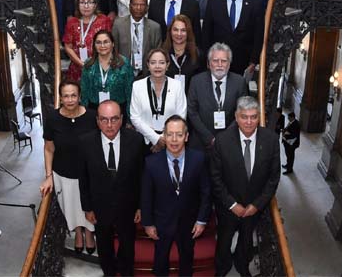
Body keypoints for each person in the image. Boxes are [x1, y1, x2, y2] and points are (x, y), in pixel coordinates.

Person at [210, 96, 281, 277]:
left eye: (253, 116)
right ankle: (222, 266)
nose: (249, 122)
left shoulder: (271, 140)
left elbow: (273, 178)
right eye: (244, 117)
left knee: (246, 241)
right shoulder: (222, 141)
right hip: (228, 208)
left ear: (259, 117)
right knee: (224, 242)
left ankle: (242, 265)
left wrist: (256, 205)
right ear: (236, 116)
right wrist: (233, 205)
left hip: (253, 208)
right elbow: (216, 179)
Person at [78, 101, 144, 277]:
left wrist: (140, 206)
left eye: (114, 119)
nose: (109, 125)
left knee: (127, 246)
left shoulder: (136, 141)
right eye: (104, 120)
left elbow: (141, 177)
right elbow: (83, 179)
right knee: (105, 248)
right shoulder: (85, 143)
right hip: (100, 208)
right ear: (97, 121)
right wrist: (87, 208)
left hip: (128, 207)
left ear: (122, 119)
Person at [141, 115, 211, 277]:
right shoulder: (151, 163)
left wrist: (201, 220)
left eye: (179, 135)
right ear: (164, 136)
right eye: (170, 134)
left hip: (189, 223)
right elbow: (146, 196)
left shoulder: (199, 159)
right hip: (161, 223)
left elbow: (206, 192)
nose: (174, 140)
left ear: (186, 137)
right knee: (160, 261)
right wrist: (148, 223)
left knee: (187, 260)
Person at [40, 81, 99, 255]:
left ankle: (89, 233)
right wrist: (48, 175)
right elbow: (49, 148)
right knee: (71, 207)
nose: (70, 99)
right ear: (60, 98)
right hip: (63, 174)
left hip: (88, 174)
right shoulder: (52, 118)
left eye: (73, 95)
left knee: (88, 206)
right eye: (66, 96)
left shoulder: (92, 116)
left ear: (79, 96)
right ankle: (78, 233)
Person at [201, 0, 264, 77]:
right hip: (218, 62)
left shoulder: (255, 3)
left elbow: (258, 35)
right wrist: (207, 58)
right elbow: (206, 33)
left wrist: (254, 62)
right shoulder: (213, 1)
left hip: (244, 63)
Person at [186, 43, 247, 151]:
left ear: (229, 64)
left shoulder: (239, 82)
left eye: (224, 61)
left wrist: (224, 138)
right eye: (215, 60)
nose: (219, 64)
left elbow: (242, 112)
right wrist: (209, 138)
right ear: (209, 63)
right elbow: (192, 112)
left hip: (230, 143)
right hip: (200, 143)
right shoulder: (196, 81)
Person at [129, 49, 187, 152]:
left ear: (167, 65)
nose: (157, 66)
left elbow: (181, 115)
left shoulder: (177, 85)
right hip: (144, 140)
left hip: (171, 140)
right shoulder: (137, 86)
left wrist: (164, 138)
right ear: (148, 65)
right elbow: (134, 117)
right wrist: (155, 139)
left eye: (161, 62)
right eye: (153, 62)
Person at [80, 30, 134, 119]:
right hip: (94, 111)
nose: (102, 46)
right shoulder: (88, 64)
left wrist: (129, 118)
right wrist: (84, 117)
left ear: (112, 44)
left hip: (119, 111)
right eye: (98, 42)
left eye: (106, 42)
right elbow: (84, 93)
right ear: (94, 45)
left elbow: (130, 92)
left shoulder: (124, 63)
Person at [62, 0, 113, 82]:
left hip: (100, 67)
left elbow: (109, 44)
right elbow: (68, 47)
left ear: (95, 5)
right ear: (78, 5)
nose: (86, 6)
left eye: (89, 2)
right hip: (77, 69)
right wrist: (81, 64)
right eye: (82, 2)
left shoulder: (104, 20)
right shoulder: (72, 23)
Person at [112, 0, 162, 77]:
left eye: (142, 5)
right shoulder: (118, 25)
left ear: (147, 7)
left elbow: (158, 53)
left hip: (146, 74)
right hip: (122, 73)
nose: (138, 8)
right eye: (135, 4)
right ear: (130, 6)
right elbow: (113, 50)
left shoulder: (155, 27)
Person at [161, 14, 203, 94]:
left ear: (188, 33)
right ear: (170, 31)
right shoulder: (161, 54)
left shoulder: (198, 55)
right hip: (167, 102)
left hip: (190, 102)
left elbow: (202, 84)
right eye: (175, 30)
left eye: (183, 30)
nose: (179, 34)